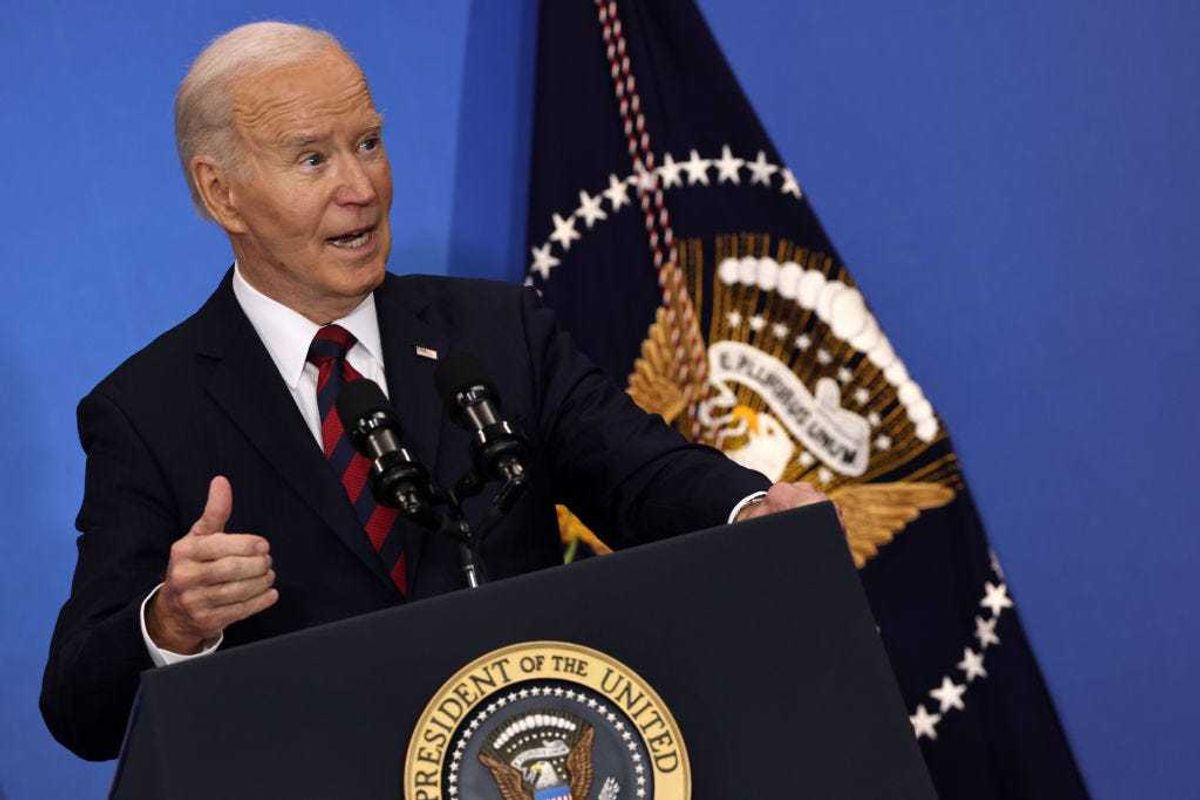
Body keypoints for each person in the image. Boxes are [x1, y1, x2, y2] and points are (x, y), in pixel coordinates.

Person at [39, 21, 829, 761]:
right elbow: (79, 706)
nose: (361, 187)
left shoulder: (494, 332)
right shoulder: (149, 411)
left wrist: (750, 510)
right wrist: (173, 622)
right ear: (222, 194)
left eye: (370, 143)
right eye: (312, 158)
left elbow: (641, 473)